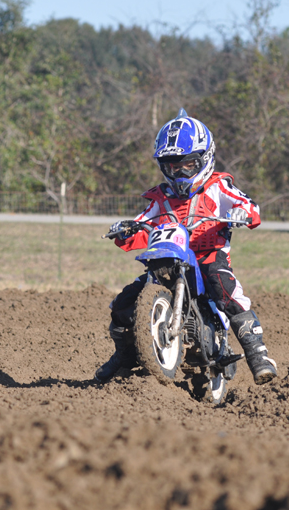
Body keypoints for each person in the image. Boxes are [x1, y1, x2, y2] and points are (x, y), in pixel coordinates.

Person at [94, 109, 277, 385]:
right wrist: (125, 230)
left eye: (187, 165)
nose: (179, 172)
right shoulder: (161, 198)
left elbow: (248, 205)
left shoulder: (218, 187)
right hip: (168, 259)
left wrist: (243, 213)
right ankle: (125, 355)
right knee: (124, 303)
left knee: (226, 291)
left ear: (205, 158)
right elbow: (142, 224)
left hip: (207, 258)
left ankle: (258, 356)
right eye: (171, 166)